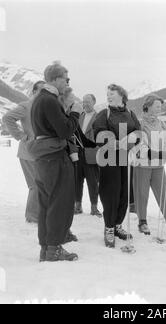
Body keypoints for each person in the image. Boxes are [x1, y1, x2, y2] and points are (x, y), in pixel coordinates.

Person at [31, 63, 82, 262]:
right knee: (59, 204)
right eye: (66, 79)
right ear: (55, 79)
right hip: (55, 159)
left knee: (46, 204)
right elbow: (66, 130)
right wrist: (75, 113)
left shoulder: (38, 99)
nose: (68, 83)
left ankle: (46, 248)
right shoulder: (50, 100)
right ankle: (54, 248)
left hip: (43, 160)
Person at [133, 94, 166, 238]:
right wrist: (153, 154)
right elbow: (140, 144)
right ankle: (142, 222)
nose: (159, 108)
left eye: (160, 106)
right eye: (157, 106)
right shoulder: (139, 124)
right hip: (143, 166)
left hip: (158, 167)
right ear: (148, 106)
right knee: (142, 195)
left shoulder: (161, 124)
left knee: (164, 195)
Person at [93, 84, 140, 248]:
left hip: (126, 159)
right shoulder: (103, 114)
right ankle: (109, 227)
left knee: (124, 193)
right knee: (110, 193)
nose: (108, 96)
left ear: (122, 95)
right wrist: (115, 142)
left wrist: (134, 140)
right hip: (110, 159)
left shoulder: (131, 114)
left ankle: (118, 224)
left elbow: (139, 132)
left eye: (112, 93)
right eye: (107, 94)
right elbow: (98, 133)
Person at [2, 80, 45, 224]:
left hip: (39, 153)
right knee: (35, 185)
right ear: (34, 92)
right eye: (41, 91)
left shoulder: (43, 107)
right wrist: (21, 135)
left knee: (40, 184)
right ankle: (32, 217)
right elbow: (7, 118)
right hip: (28, 152)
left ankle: (38, 214)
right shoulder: (26, 106)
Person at [74, 94, 102, 217]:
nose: (85, 104)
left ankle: (94, 207)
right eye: (83, 101)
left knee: (93, 182)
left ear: (94, 102)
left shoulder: (99, 118)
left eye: (88, 101)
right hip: (78, 154)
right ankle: (78, 206)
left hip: (92, 154)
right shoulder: (79, 117)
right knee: (77, 181)